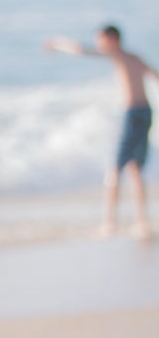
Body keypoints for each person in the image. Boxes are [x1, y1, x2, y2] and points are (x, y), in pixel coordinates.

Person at [46, 25, 157, 239]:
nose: (99, 44)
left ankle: (109, 223)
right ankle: (142, 222)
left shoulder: (117, 55)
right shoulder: (135, 57)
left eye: (101, 39)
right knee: (135, 168)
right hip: (146, 112)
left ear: (112, 40)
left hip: (133, 114)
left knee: (115, 168)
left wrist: (57, 43)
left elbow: (81, 50)